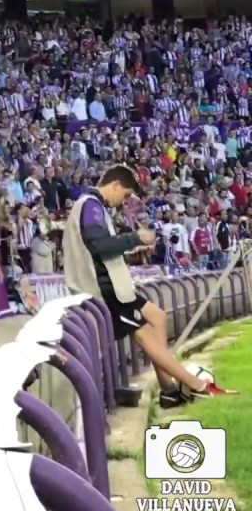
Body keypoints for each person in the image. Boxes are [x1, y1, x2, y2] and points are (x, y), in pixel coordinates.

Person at [64, 165, 232, 408]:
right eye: (125, 195)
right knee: (144, 335)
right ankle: (198, 387)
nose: (124, 201)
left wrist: (133, 248)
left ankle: (168, 390)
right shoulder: (91, 206)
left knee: (158, 317)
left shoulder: (92, 205)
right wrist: (135, 238)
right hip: (104, 290)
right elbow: (100, 247)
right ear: (116, 185)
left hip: (112, 285)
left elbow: (100, 248)